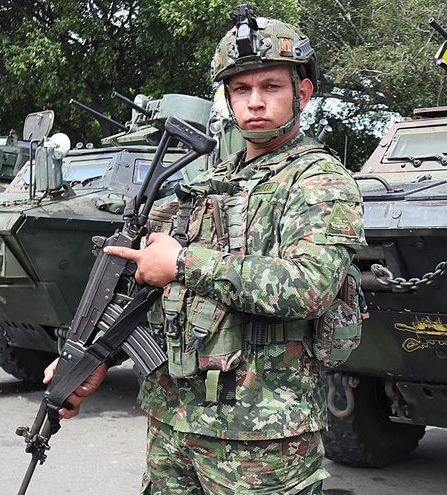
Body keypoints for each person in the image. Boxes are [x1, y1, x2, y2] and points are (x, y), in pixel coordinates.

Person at [45, 5, 366, 494]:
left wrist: (181, 262)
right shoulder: (207, 184)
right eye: (241, 89)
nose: (254, 102)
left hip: (261, 436)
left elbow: (310, 287)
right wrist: (90, 361)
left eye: (271, 87)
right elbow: (145, 293)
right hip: (173, 422)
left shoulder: (319, 182)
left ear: (302, 93)